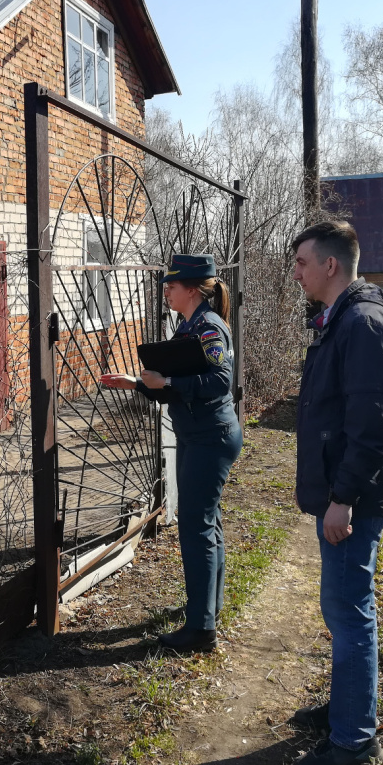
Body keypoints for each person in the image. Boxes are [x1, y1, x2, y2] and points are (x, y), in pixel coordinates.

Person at [288, 220, 383, 765]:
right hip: (343, 491)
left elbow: (373, 423)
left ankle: (354, 739)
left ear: (330, 265)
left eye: (302, 263)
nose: (298, 272)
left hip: (351, 498)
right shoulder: (342, 318)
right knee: (343, 606)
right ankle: (348, 708)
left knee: (349, 610)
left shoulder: (361, 322)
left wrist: (344, 498)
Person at [101, 253, 242, 653]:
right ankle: (205, 610)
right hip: (201, 434)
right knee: (206, 524)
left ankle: (200, 630)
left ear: (193, 290)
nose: (166, 291)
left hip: (208, 438)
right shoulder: (189, 324)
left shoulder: (209, 327)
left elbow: (219, 382)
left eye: (172, 286)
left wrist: (166, 378)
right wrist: (136, 383)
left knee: (196, 528)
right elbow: (177, 384)